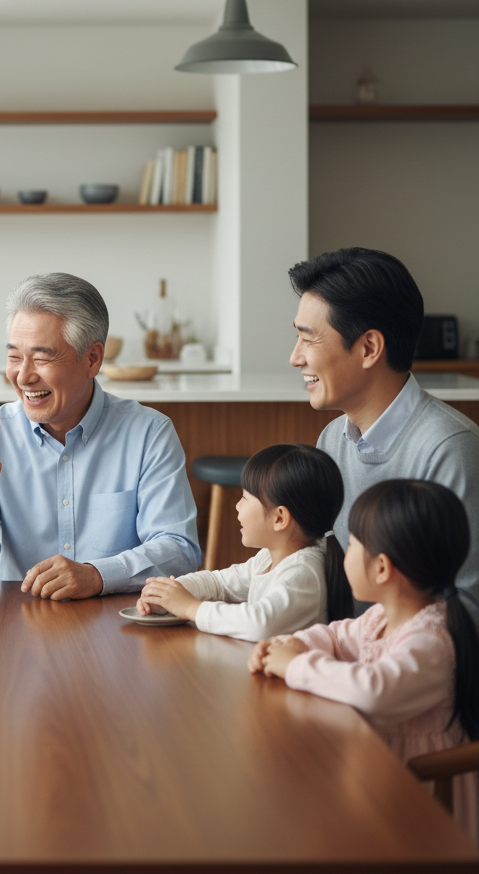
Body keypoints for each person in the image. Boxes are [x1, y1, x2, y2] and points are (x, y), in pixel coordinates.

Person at [0, 272, 200, 599]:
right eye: (14, 357)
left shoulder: (150, 435)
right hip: (20, 621)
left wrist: (96, 575)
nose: (23, 376)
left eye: (41, 358)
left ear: (92, 359)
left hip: (121, 620)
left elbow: (180, 551)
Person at [249, 480, 479, 842]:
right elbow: (335, 636)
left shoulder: (432, 641)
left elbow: (374, 691)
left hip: (423, 797)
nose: (345, 552)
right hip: (379, 771)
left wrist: (294, 665)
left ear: (382, 568)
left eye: (353, 544)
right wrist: (293, 643)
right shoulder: (382, 617)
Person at [289, 248, 479, 623]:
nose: (295, 357)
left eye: (308, 339)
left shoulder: (451, 450)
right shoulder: (332, 440)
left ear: (369, 348)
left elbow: (467, 611)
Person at [137, 443, 355, 640]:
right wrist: (170, 593)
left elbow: (260, 623)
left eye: (244, 497)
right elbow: (219, 583)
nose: (237, 506)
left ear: (279, 518)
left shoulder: (304, 571)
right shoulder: (269, 557)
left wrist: (189, 607)